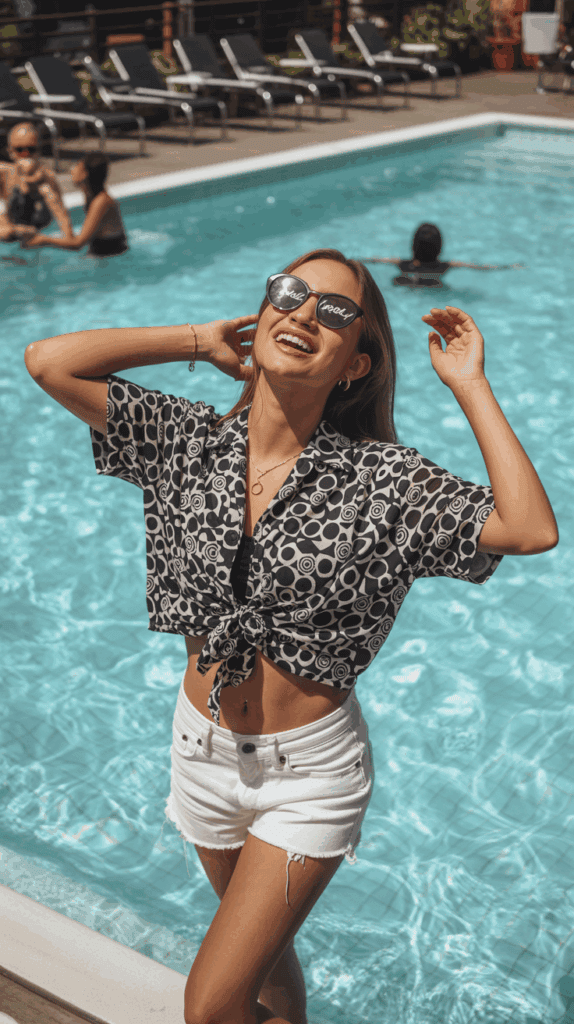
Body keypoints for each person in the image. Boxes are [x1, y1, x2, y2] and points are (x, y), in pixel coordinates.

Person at [24, 249, 557, 1024]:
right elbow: (50, 361)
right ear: (265, 310)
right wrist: (198, 339)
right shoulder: (187, 443)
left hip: (307, 777)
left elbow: (529, 527)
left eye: (336, 313)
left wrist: (469, 385)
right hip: (199, 754)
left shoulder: (384, 481)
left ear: (355, 366)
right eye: (290, 294)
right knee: (263, 971)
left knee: (211, 1007)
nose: (305, 313)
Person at [24, 153, 128, 257]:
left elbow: (78, 244)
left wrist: (43, 240)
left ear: (85, 174)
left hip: (113, 257)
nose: (71, 169)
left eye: (77, 166)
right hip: (104, 255)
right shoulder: (91, 196)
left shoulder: (101, 202)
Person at [363, 222, 522, 288]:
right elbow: (482, 268)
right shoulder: (445, 266)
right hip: (433, 285)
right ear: (439, 248)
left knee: (398, 281)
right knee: (441, 287)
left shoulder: (401, 263)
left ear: (413, 246)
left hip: (409, 279)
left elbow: (375, 260)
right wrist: (508, 267)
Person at [0, 122, 73, 245]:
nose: (26, 154)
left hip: (39, 239)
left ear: (39, 150)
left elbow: (65, 223)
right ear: (10, 152)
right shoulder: (4, 174)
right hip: (10, 237)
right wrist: (11, 228)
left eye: (31, 149)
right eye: (19, 150)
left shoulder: (47, 179)